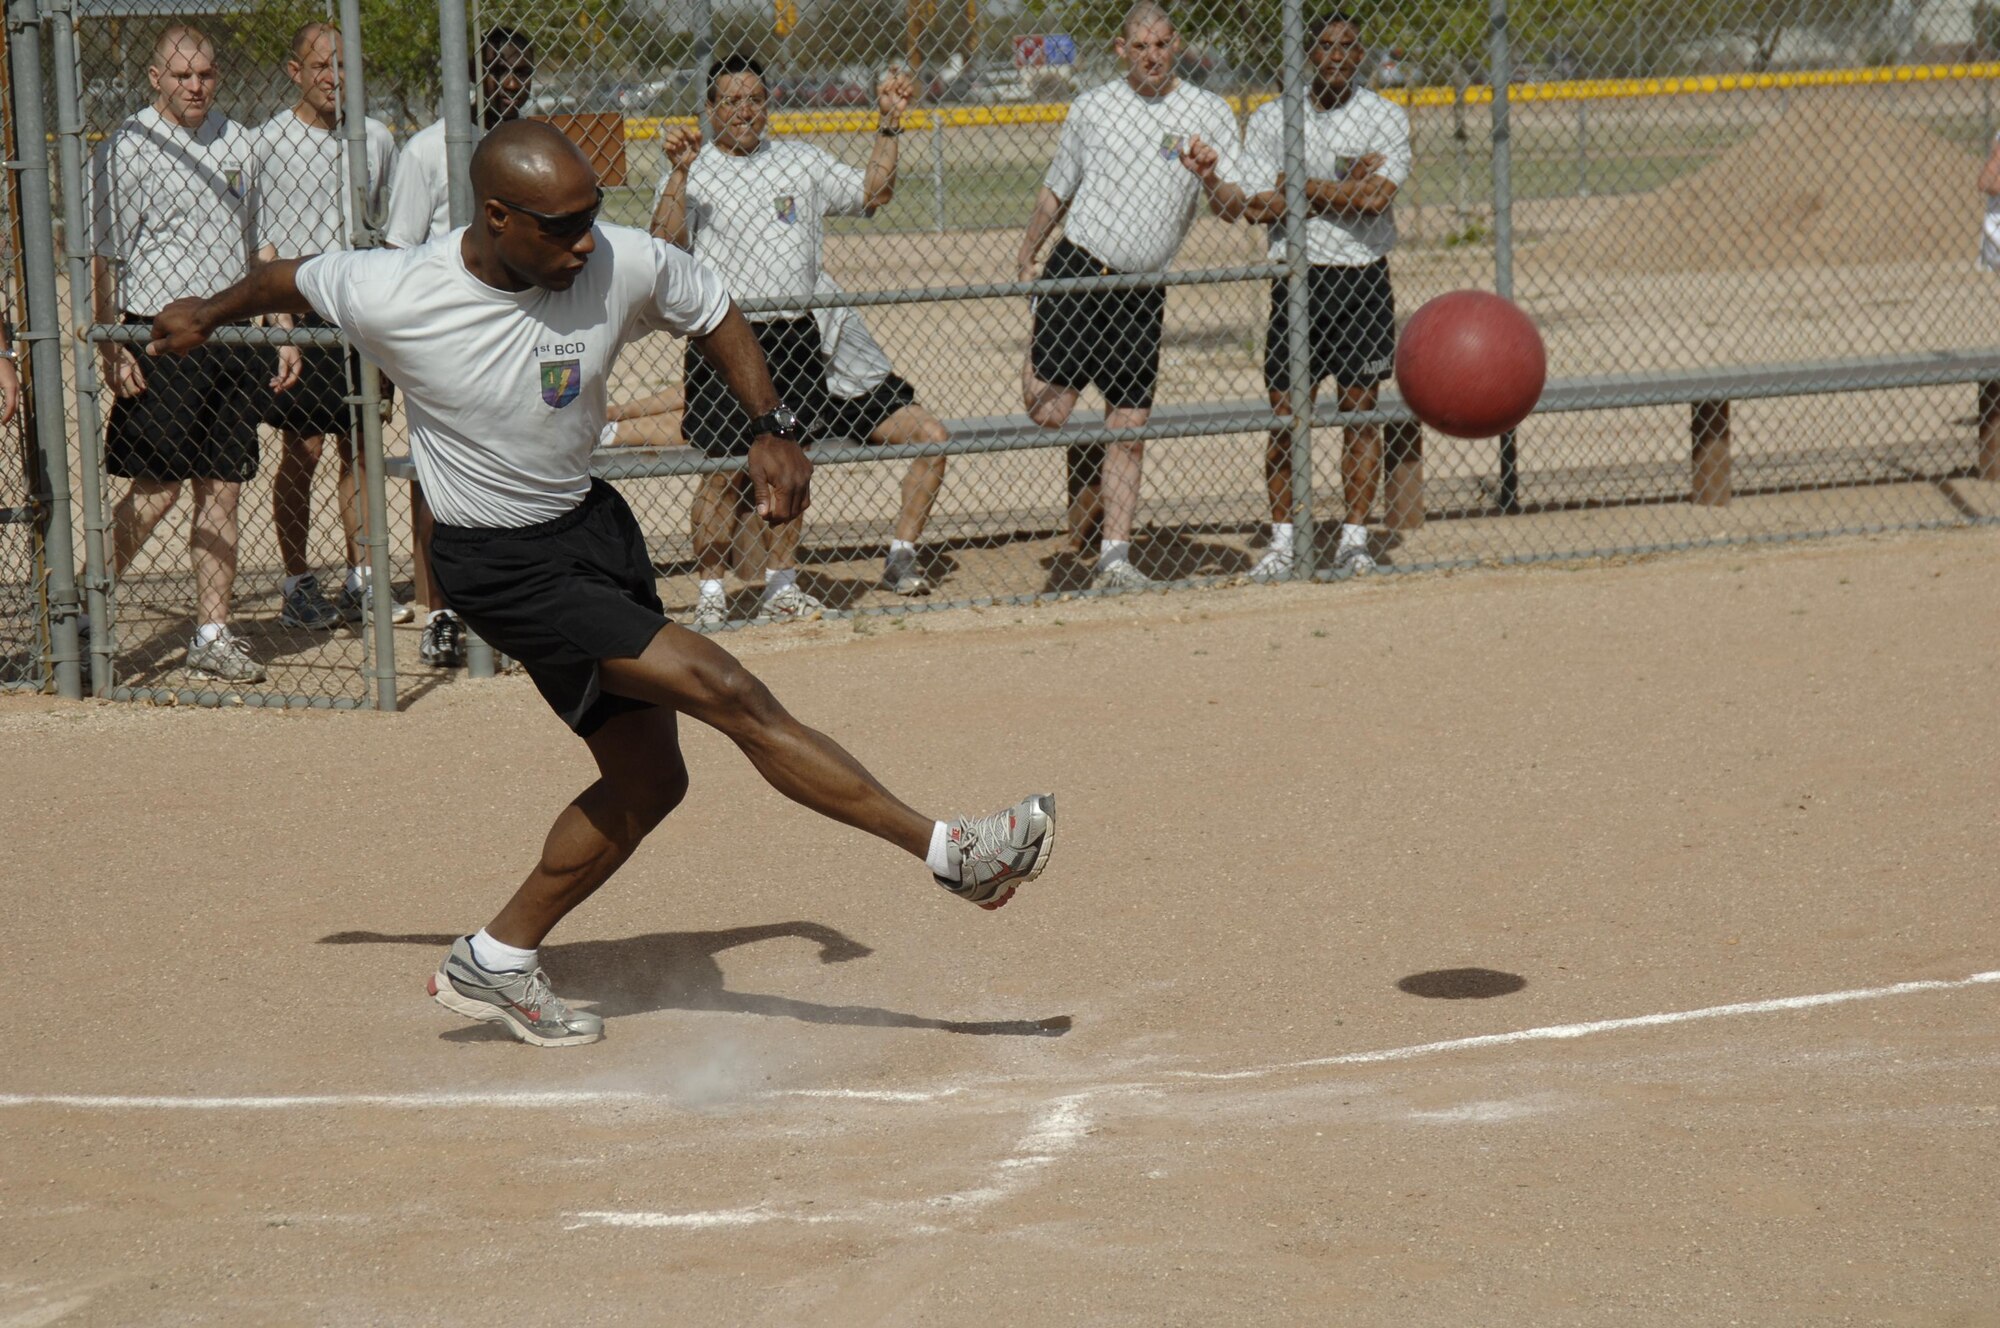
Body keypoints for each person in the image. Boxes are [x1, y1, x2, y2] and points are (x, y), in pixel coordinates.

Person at [147, 121, 1057, 1048]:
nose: (586, 241)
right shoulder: (398, 289)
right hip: (499, 565)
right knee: (727, 690)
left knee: (650, 781)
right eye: (562, 225)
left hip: (591, 529)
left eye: (593, 217)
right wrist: (208, 311)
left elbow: (712, 306)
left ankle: (494, 960)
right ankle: (952, 853)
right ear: (497, 217)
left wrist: (769, 422)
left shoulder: (612, 261)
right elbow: (287, 278)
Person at [650, 56, 934, 626]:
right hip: (723, 336)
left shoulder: (800, 162)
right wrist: (680, 173)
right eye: (730, 101)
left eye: (754, 98)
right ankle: (711, 594)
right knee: (723, 471)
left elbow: (873, 192)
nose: (744, 111)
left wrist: (889, 123)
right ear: (710, 110)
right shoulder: (693, 168)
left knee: (791, 466)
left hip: (794, 335)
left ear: (768, 104)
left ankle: (782, 586)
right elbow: (663, 240)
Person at [1015, 2, 1247, 590]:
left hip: (1144, 287)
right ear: (1122, 50)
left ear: (1177, 46)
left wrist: (1210, 176)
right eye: (1140, 46)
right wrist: (1027, 252)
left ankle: (1116, 557)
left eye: (1162, 44)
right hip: (1081, 268)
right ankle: (1049, 322)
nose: (1152, 56)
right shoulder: (1094, 108)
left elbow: (1232, 209)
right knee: (1050, 412)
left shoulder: (1207, 112)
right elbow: (1056, 188)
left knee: (1130, 422)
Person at [88, 24, 294, 684]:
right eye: (182, 76)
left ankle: (212, 630)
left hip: (230, 334)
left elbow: (259, 247)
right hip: (163, 333)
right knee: (155, 493)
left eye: (205, 74)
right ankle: (84, 618)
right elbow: (107, 257)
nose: (196, 85)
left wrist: (281, 325)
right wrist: (114, 343)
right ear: (156, 79)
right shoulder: (130, 146)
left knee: (225, 490)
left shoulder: (240, 141)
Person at [600, 278, 949, 599]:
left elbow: (691, 393)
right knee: (718, 421)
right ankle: (610, 431)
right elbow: (703, 393)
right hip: (812, 396)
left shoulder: (803, 294)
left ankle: (901, 555)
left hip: (865, 393)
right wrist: (624, 411)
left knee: (934, 437)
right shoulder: (760, 301)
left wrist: (625, 408)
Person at [1235, 11, 1422, 580]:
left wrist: (1300, 187)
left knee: (1360, 414)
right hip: (1298, 278)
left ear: (1360, 53)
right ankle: (1286, 542)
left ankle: (1355, 539)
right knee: (1288, 416)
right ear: (1307, 54)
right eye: (1327, 47)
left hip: (1362, 278)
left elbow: (1375, 201)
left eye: (1350, 46)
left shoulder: (1384, 117)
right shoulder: (1274, 119)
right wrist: (1341, 187)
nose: (1339, 56)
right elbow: (1253, 207)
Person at [381, 25, 536, 666]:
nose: (509, 83)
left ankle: (522, 607)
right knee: (434, 478)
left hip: (523, 328)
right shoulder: (425, 152)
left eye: (520, 71)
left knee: (527, 467)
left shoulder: (537, 150)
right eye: (496, 70)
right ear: (470, 76)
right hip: (447, 334)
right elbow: (397, 253)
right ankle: (440, 610)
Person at [252, 20, 407, 629]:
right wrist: (280, 319)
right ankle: (297, 581)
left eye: (343, 65)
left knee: (363, 445)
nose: (334, 77)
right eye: (321, 66)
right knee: (304, 447)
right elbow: (258, 238)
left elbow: (392, 226)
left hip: (362, 306)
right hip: (302, 303)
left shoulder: (376, 138)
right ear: (296, 72)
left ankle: (362, 576)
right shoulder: (268, 142)